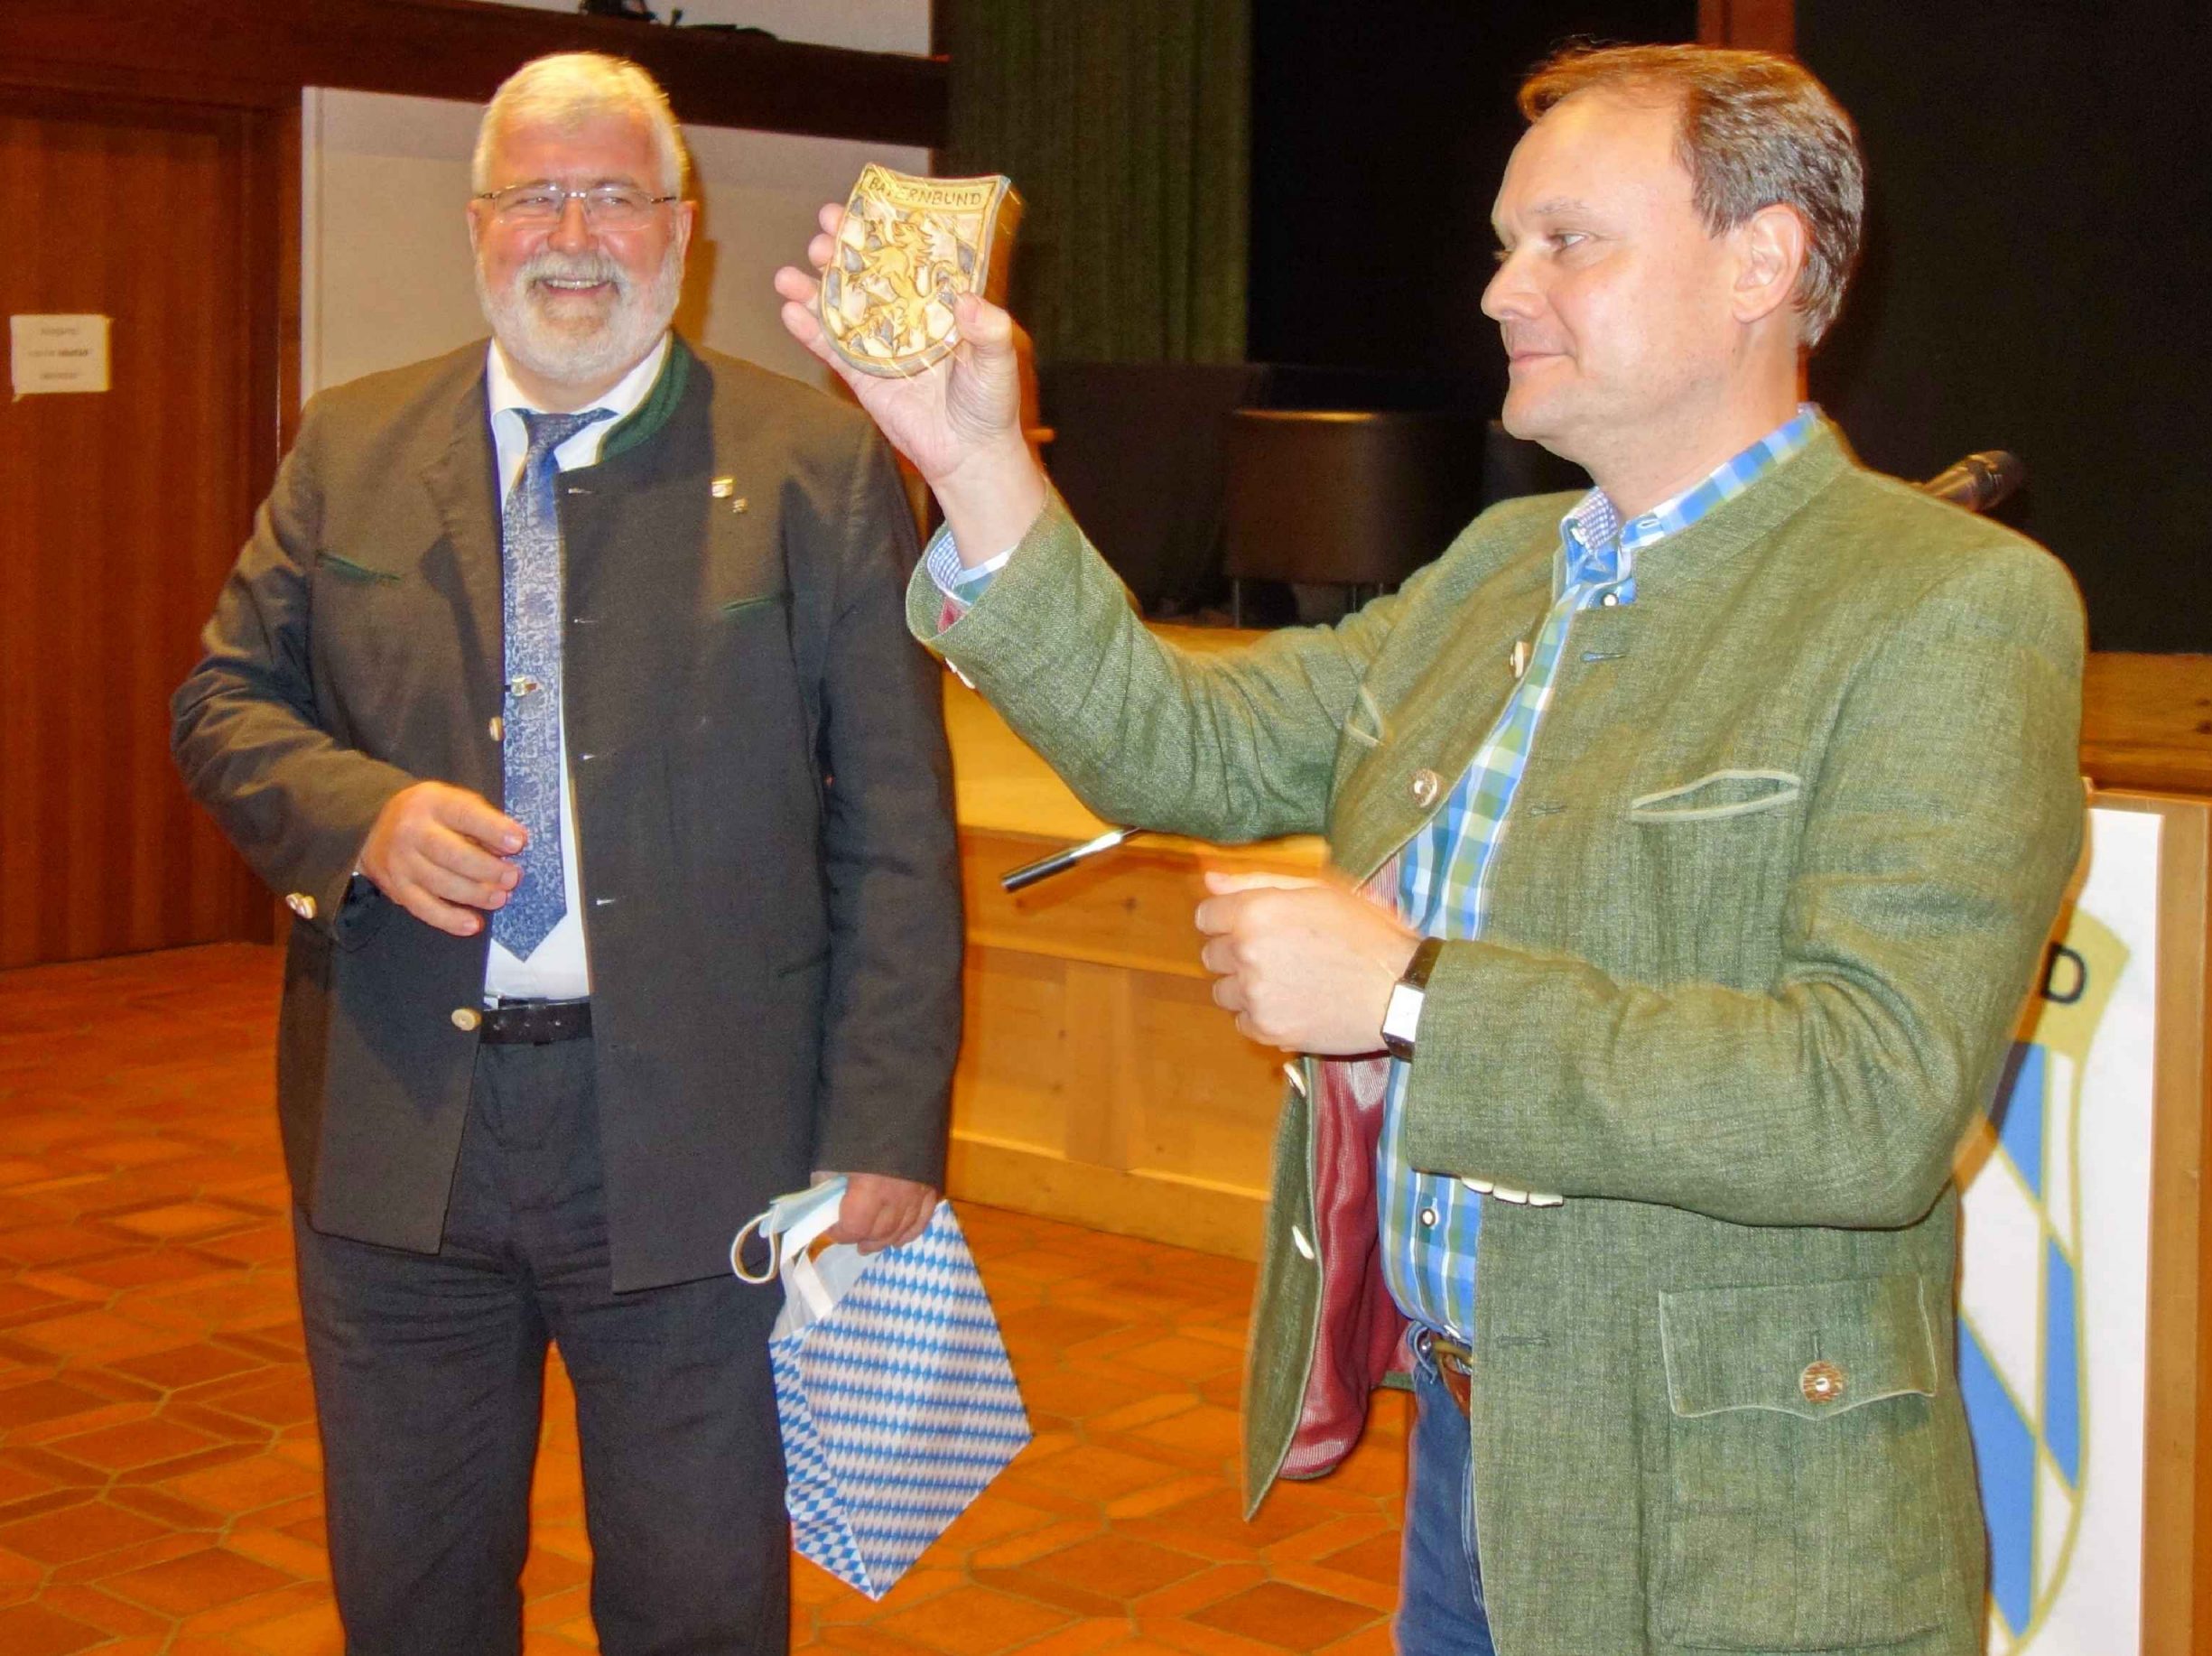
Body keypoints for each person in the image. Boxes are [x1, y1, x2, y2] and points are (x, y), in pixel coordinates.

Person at [776, 41, 2084, 1656]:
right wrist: (973, 460)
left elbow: (1871, 1098)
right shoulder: (1501, 567)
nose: (1500, 290)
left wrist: (1413, 998)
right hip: (1471, 1454)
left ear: (1763, 261)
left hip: (1738, 1521)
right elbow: (1181, 744)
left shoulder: (1948, 604)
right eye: (1506, 243)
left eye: (1566, 241)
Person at [172, 51, 961, 1656]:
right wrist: (361, 814)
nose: (575, 234)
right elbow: (223, 702)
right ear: (477, 226)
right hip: (401, 1129)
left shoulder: (810, 465)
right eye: (536, 196)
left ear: (684, 228)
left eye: (615, 195)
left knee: (697, 1603)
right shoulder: (350, 445)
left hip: (701, 1138)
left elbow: (893, 822)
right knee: (413, 1598)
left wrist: (883, 1125)